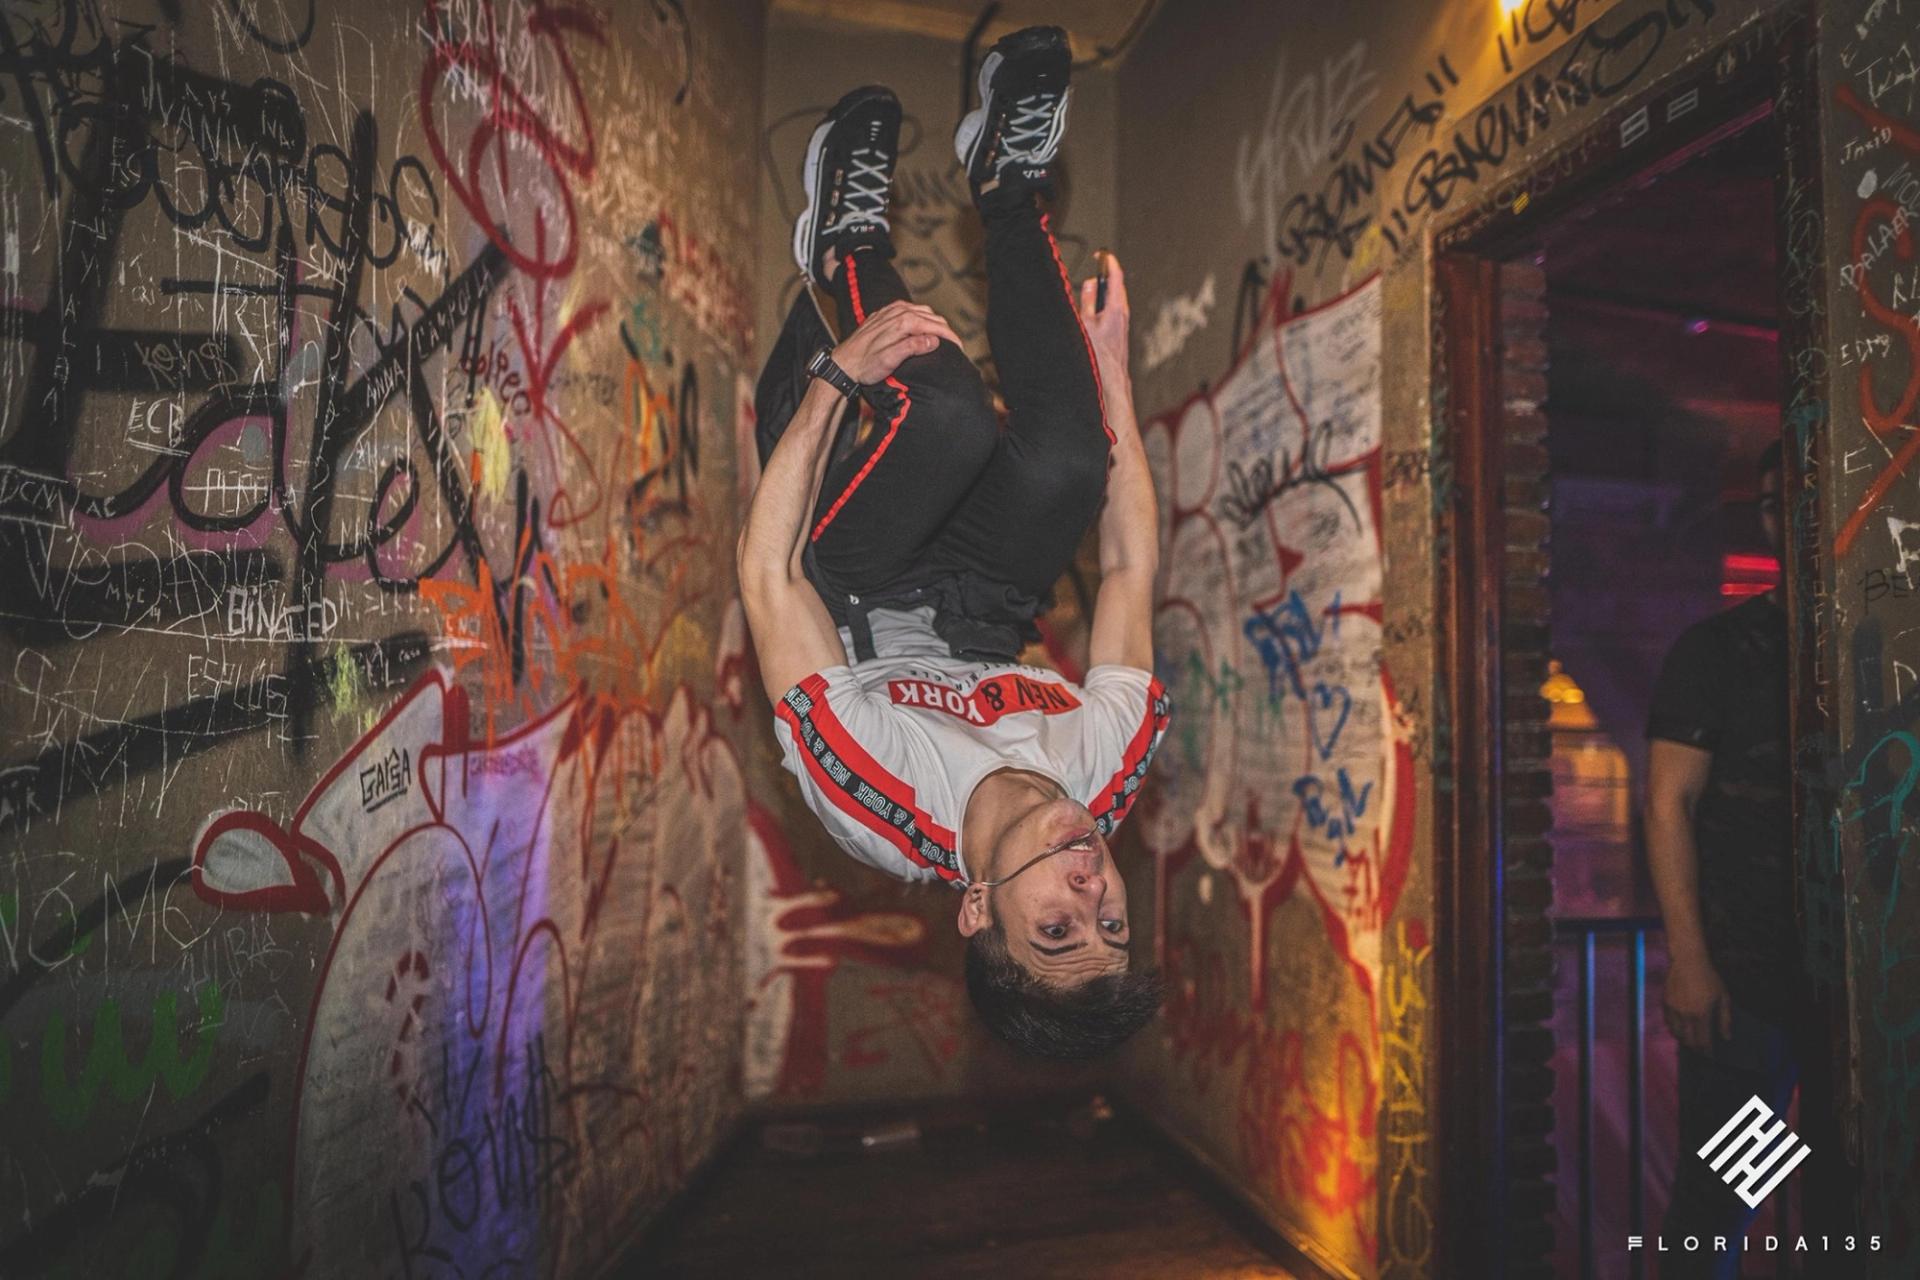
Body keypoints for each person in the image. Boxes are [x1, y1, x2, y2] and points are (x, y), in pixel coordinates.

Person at [736, 27, 1169, 1061]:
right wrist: (1112, 377)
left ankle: (842, 245)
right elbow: (1128, 564)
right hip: (985, 600)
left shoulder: (880, 795)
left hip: (853, 576)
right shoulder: (1107, 771)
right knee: (1073, 462)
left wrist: (835, 380)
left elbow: (769, 576)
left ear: (977, 909)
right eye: (1113, 921)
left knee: (946, 418)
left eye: (1057, 928)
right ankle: (1008, 182)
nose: (1090, 888)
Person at [1646, 441, 1844, 1274]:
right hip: (1750, 997)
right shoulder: (1720, 652)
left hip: (1865, 1003)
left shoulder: (1876, 640)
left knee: (1852, 1206)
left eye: (1802, 499)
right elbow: (1669, 804)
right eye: (1773, 503)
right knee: (1724, 1203)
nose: (1788, 517)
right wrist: (1690, 961)